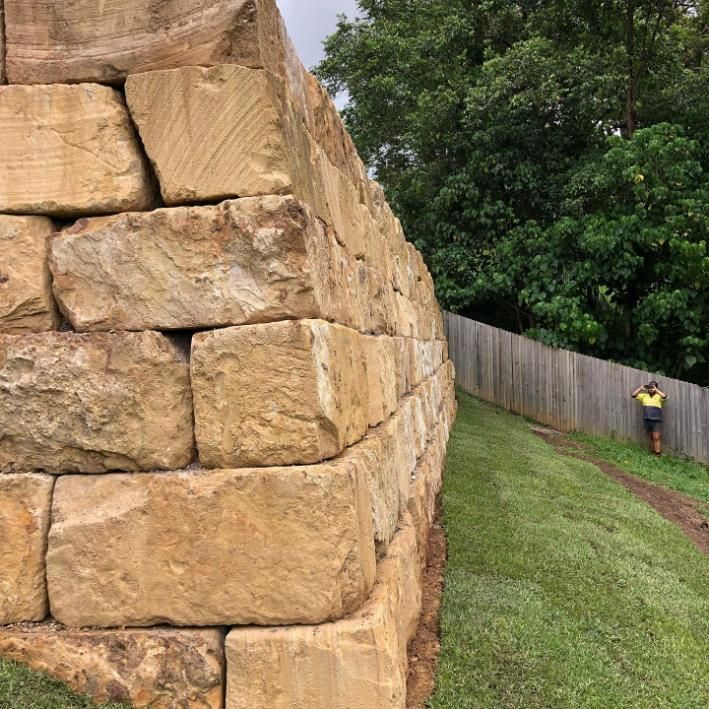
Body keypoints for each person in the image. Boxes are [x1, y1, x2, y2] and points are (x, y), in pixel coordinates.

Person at [631, 381, 668, 456]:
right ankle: (652, 452)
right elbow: (633, 395)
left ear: (656, 388)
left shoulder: (659, 396)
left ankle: (657, 455)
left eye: (653, 387)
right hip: (647, 420)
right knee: (651, 437)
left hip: (656, 420)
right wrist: (641, 388)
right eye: (650, 387)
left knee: (656, 437)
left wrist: (656, 390)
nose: (651, 388)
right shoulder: (644, 395)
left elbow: (665, 397)